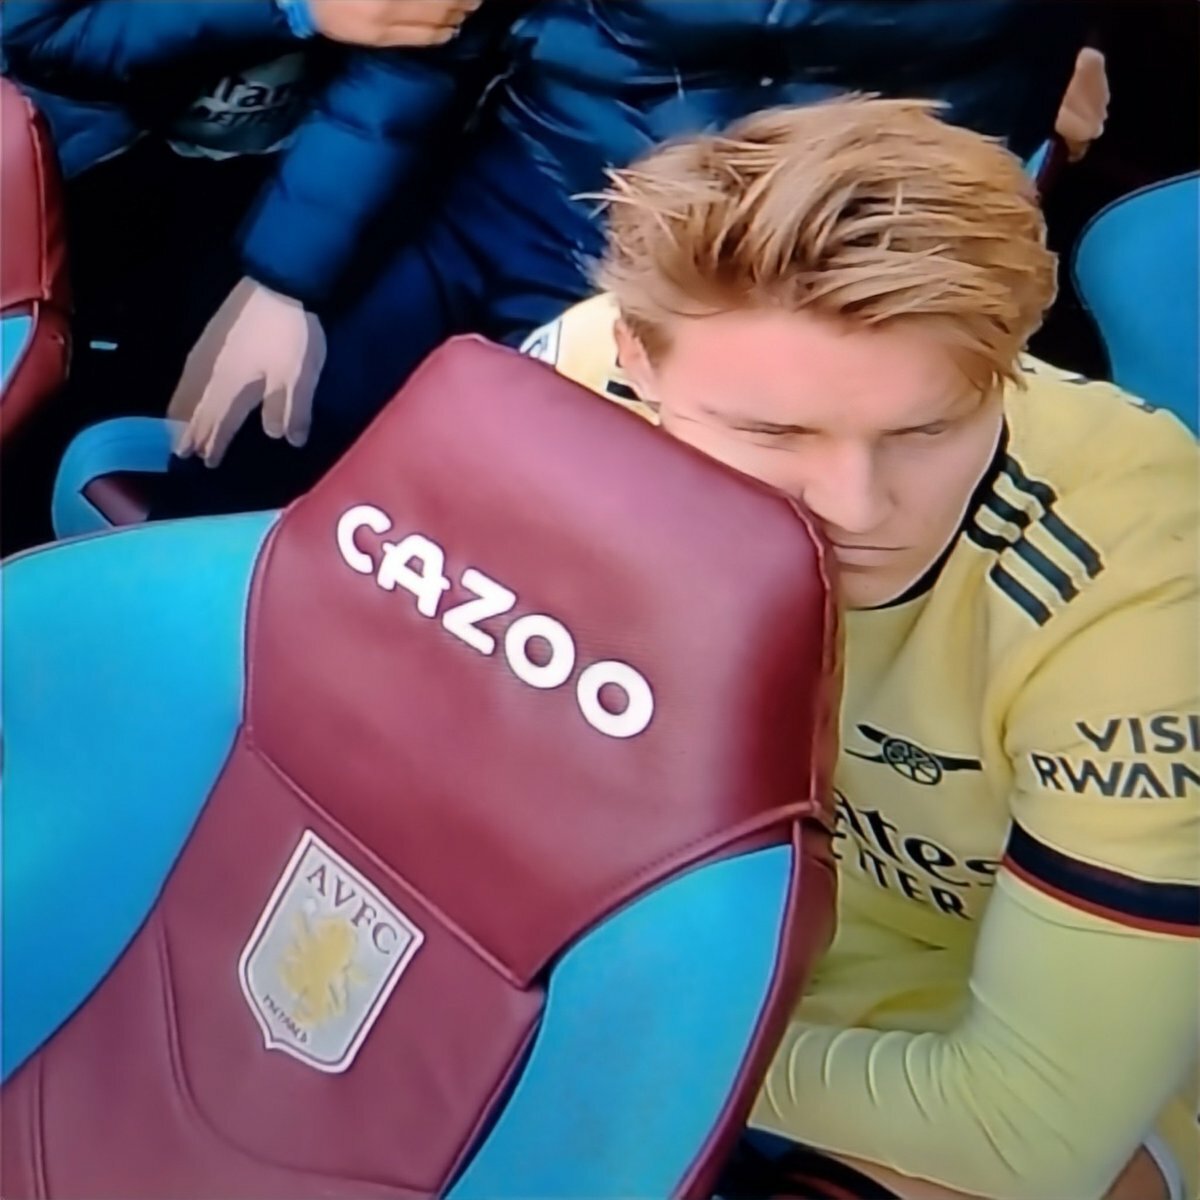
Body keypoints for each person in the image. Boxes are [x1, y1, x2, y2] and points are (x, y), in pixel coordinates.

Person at [521, 98, 1199, 1199]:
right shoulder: (578, 372)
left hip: (1000, 1019)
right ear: (640, 361)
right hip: (687, 933)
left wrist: (587, 1027)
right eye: (773, 433)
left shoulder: (1145, 586)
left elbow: (1028, 1132)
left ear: (1009, 364)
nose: (855, 505)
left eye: (928, 429)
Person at [142, 0, 1089, 518]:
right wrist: (286, 278)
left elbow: (992, 135)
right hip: (539, 192)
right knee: (266, 422)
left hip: (790, 268)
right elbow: (428, 45)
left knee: (599, 525)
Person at [1, 0, 497, 422]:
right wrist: (292, 8)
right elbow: (35, 34)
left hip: (283, 179)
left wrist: (284, 277)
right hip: (89, 156)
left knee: (180, 393)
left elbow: (407, 74)